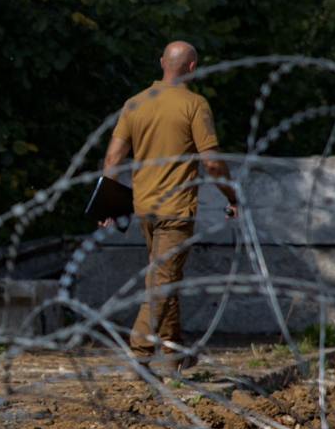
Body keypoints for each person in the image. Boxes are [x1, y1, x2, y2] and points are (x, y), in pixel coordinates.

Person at [101, 41, 239, 373]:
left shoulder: (134, 104)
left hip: (144, 206)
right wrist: (231, 196)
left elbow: (113, 159)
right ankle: (140, 350)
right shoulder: (194, 104)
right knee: (162, 281)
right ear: (193, 68)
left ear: (162, 62)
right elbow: (212, 163)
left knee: (167, 277)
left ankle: (175, 354)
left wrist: (108, 205)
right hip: (176, 209)